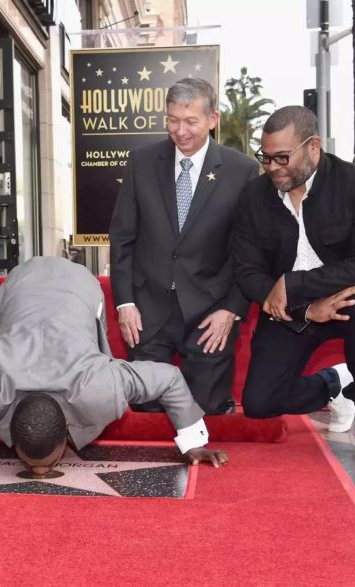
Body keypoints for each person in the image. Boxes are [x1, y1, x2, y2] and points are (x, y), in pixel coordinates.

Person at [0, 256, 228, 475]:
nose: (41, 474)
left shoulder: (100, 387)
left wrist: (193, 444)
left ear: (64, 439)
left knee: (94, 344)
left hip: (79, 288)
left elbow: (167, 377)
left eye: (46, 463)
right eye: (34, 464)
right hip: (18, 286)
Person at [232, 106, 355, 466]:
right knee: (260, 405)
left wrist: (294, 283)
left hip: (349, 299)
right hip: (291, 312)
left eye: (281, 157)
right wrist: (304, 307)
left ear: (313, 147)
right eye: (265, 157)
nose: (272, 167)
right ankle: (333, 385)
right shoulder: (254, 196)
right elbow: (248, 272)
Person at [108, 78, 260, 415]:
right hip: (147, 310)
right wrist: (125, 304)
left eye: (191, 121)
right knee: (146, 412)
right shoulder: (141, 162)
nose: (181, 131)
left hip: (210, 313)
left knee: (206, 411)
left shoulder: (242, 171)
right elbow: (122, 238)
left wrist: (231, 310)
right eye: (173, 120)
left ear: (212, 119)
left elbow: (249, 251)